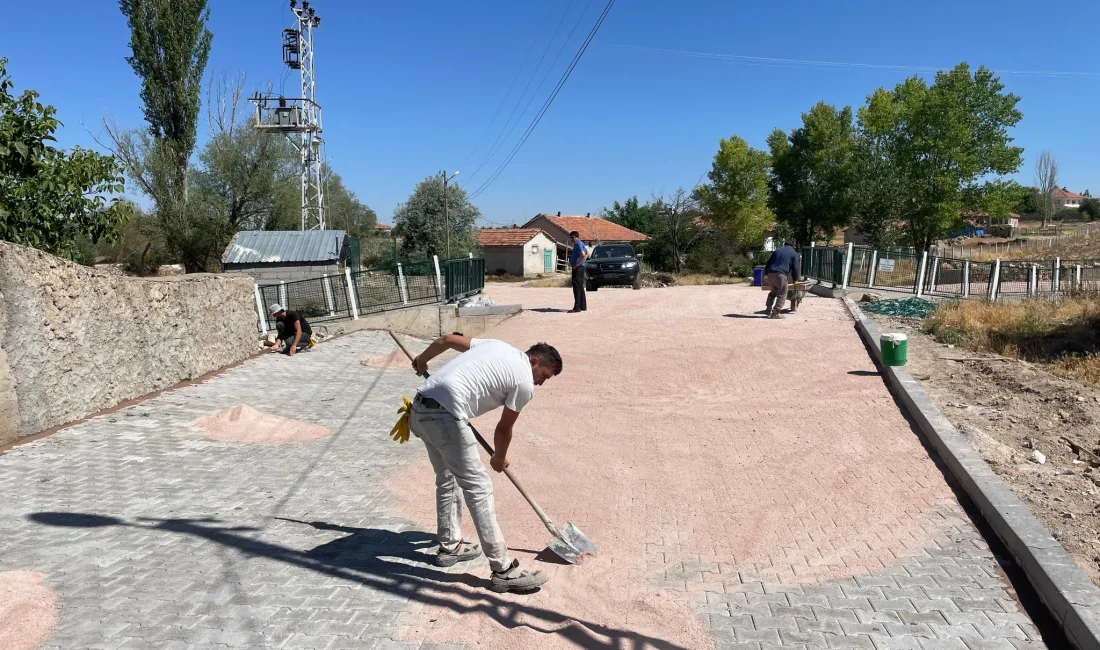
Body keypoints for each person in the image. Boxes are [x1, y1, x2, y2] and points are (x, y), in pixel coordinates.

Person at [409, 333, 563, 593]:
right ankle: (503, 570)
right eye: (544, 376)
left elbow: (447, 339)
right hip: (445, 417)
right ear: (534, 361)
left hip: (419, 409)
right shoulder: (524, 382)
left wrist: (422, 360)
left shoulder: (497, 345)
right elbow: (504, 428)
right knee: (479, 487)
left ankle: (450, 547)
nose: (541, 383)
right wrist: (499, 458)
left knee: (447, 477)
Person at [762, 241, 801, 319]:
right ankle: (775, 313)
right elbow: (796, 268)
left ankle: (768, 310)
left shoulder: (777, 251)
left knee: (773, 292)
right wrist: (795, 279)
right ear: (793, 246)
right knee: (782, 294)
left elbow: (768, 263)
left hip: (770, 274)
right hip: (780, 275)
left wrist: (766, 274)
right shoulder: (794, 253)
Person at [568, 231, 588, 313]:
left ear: (577, 237)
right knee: (580, 286)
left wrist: (577, 264)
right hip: (580, 267)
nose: (572, 239)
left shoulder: (578, 244)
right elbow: (587, 253)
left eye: (573, 237)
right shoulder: (580, 244)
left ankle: (577, 307)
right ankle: (583, 306)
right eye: (571, 238)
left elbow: (583, 254)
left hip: (578, 268)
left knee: (576, 287)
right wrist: (582, 262)